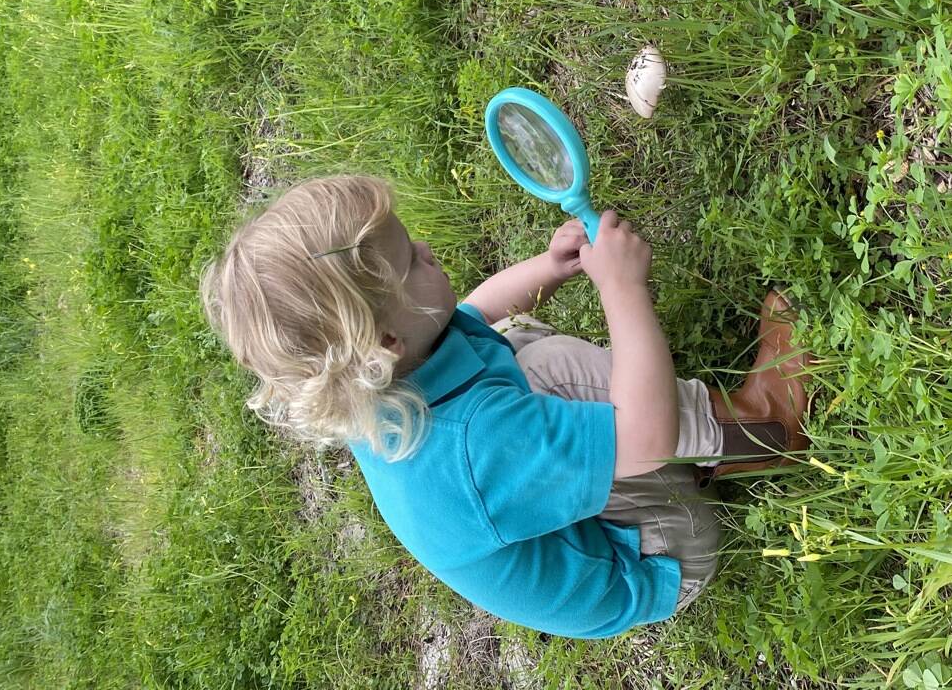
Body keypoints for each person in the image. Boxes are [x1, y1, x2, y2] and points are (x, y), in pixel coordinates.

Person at [200, 174, 813, 638]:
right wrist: (621, 287)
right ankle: (766, 430)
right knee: (555, 371)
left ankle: (700, 457)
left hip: (593, 519)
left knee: (513, 342)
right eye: (412, 260)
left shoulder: (386, 379)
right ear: (385, 342)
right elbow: (645, 438)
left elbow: (477, 312)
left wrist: (550, 267)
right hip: (656, 561)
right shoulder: (472, 445)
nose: (427, 248)